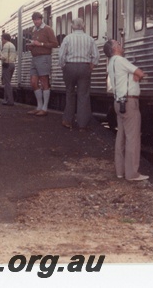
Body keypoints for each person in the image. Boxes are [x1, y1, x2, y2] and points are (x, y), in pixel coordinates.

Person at [104, 39, 148, 181]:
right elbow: (140, 73)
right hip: (129, 102)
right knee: (132, 138)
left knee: (120, 137)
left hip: (118, 102)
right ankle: (132, 174)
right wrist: (136, 75)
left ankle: (120, 171)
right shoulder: (121, 60)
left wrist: (133, 76)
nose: (121, 45)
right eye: (118, 43)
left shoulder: (111, 63)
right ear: (115, 48)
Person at [58, 18, 100, 130]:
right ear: (83, 26)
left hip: (70, 66)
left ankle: (68, 120)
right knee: (83, 95)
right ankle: (82, 124)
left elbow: (61, 55)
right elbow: (96, 55)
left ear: (72, 26)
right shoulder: (89, 39)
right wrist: (92, 66)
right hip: (84, 67)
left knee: (70, 93)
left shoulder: (67, 38)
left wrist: (64, 66)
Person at [26, 11, 58, 116]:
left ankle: (44, 108)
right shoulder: (34, 30)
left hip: (44, 57)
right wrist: (31, 46)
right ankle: (39, 106)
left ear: (41, 19)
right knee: (33, 82)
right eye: (34, 20)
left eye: (37, 20)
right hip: (34, 57)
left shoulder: (47, 29)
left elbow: (55, 44)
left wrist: (41, 44)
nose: (36, 22)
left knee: (44, 81)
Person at [0, 33, 17, 106]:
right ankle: (6, 99)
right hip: (12, 64)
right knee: (8, 82)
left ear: (4, 39)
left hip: (7, 64)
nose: (1, 41)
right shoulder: (13, 45)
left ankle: (10, 100)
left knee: (7, 83)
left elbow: (4, 56)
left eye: (2, 39)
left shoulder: (6, 45)